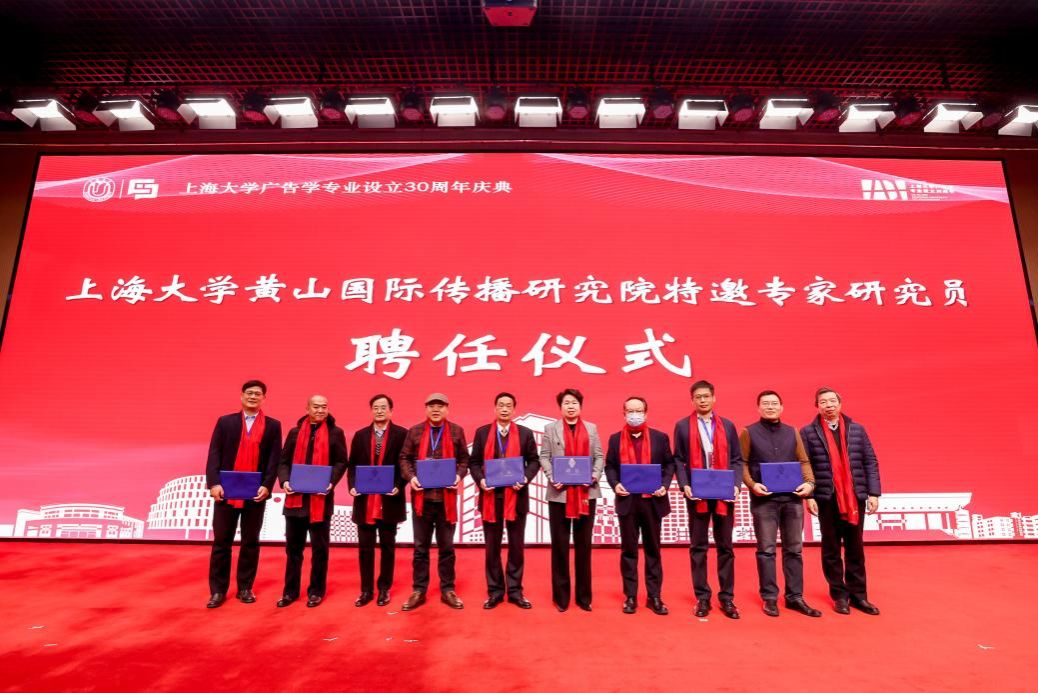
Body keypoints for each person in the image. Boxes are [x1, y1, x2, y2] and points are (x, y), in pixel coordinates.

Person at [740, 390, 821, 617]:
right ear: (758, 408)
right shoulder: (748, 432)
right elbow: (741, 463)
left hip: (793, 500)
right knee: (766, 551)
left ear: (782, 407)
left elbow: (803, 461)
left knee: (794, 550)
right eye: (765, 403)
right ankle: (770, 598)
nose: (770, 407)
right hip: (764, 500)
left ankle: (795, 597)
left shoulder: (792, 432)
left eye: (774, 403)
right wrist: (752, 484)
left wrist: (810, 483)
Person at [801, 387, 882, 616]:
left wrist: (873, 493)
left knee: (855, 547)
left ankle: (859, 596)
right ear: (817, 406)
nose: (828, 405)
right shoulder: (808, 432)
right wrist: (810, 495)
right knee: (831, 548)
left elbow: (870, 461)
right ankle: (839, 595)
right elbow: (805, 465)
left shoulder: (857, 430)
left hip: (854, 498)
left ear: (840, 403)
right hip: (827, 497)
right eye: (823, 402)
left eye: (832, 401)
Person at [204, 380, 282, 609]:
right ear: (241, 396)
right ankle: (218, 591)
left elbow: (274, 459)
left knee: (250, 542)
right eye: (249, 393)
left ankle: (245, 587)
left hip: (255, 493)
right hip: (226, 492)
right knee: (222, 542)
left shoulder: (273, 425)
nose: (253, 396)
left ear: (264, 398)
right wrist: (214, 484)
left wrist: (267, 486)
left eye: (258, 394)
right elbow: (214, 453)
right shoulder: (225, 422)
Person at [673, 380, 744, 619]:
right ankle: (702, 597)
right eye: (698, 397)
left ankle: (727, 598)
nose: (702, 400)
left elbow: (736, 459)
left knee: (726, 547)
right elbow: (678, 459)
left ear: (714, 398)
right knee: (698, 546)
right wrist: (685, 485)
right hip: (697, 493)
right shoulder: (683, 426)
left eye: (706, 396)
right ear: (692, 400)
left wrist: (736, 485)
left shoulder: (728, 425)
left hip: (724, 493)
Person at [468, 392, 541, 609]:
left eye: (509, 405)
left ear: (514, 410)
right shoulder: (482, 433)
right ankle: (495, 591)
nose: (505, 409)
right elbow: (473, 462)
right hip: (491, 498)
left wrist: (525, 478)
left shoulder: (525, 433)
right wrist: (481, 480)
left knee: (516, 547)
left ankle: (516, 591)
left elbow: (534, 461)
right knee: (492, 548)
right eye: (501, 405)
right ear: (495, 408)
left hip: (516, 497)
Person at [604, 396, 675, 615]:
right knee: (629, 551)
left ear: (646, 412)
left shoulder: (660, 438)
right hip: (628, 501)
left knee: (653, 550)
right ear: (624, 413)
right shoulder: (615, 439)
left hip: (652, 501)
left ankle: (654, 596)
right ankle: (631, 596)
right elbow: (610, 466)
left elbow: (669, 464)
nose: (635, 415)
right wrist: (615, 484)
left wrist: (664, 485)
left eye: (639, 411)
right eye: (630, 411)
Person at [275, 394, 347, 608]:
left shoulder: (336, 433)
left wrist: (331, 482)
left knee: (320, 550)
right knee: (293, 550)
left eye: (324, 406)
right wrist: (285, 481)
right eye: (316, 406)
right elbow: (283, 462)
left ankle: (316, 591)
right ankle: (290, 592)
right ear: (307, 408)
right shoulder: (295, 432)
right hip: (295, 501)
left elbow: (341, 461)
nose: (320, 410)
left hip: (320, 500)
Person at [399, 393, 469, 610]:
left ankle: (448, 589)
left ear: (447, 409)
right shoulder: (415, 431)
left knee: (447, 548)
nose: (436, 409)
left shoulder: (457, 431)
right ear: (426, 409)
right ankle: (419, 590)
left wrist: (458, 476)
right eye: (431, 406)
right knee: (421, 548)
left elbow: (464, 459)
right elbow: (404, 458)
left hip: (446, 499)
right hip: (422, 499)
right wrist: (411, 477)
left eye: (440, 406)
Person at [538, 388, 605, 612]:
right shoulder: (551, 429)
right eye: (566, 402)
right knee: (560, 546)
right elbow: (544, 457)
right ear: (560, 407)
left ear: (580, 406)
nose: (570, 406)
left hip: (586, 493)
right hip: (560, 494)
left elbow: (599, 457)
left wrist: (594, 475)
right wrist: (552, 476)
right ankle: (562, 597)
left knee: (584, 546)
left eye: (574, 402)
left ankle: (584, 597)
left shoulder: (592, 428)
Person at [347, 394, 408, 608]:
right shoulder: (360, 435)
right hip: (365, 500)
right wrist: (352, 486)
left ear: (391, 411)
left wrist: (399, 485)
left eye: (383, 407)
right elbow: (353, 465)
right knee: (365, 548)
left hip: (390, 499)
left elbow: (405, 464)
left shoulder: (402, 434)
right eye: (376, 407)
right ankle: (366, 590)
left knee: (387, 547)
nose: (379, 411)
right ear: (371, 410)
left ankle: (384, 589)